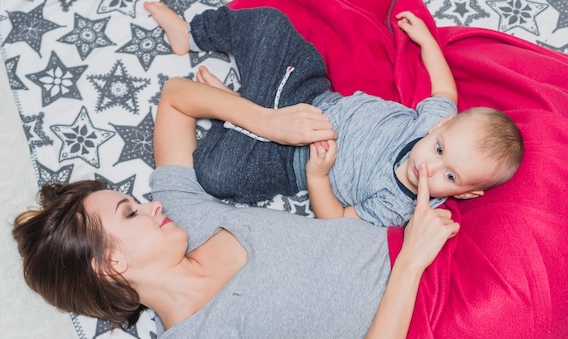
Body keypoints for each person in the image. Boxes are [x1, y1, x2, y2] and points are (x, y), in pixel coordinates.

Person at [11, 41, 461, 339]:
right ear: (112, 263)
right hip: (432, 312)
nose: (150, 206)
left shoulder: (185, 216)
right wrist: (410, 263)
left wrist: (268, 121)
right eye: (130, 213)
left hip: (420, 223)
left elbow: (175, 96)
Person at [144, 2, 523, 227]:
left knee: (218, 174)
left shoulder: (399, 205)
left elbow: (337, 220)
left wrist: (318, 177)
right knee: (270, 23)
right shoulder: (433, 121)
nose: (429, 168)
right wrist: (426, 41)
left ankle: (237, 110)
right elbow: (444, 90)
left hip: (288, 162)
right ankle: (191, 33)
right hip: (307, 95)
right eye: (439, 151)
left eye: (450, 176)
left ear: (467, 193)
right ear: (441, 125)